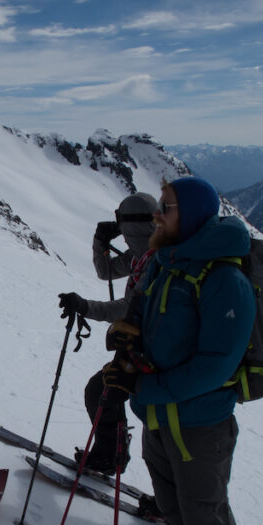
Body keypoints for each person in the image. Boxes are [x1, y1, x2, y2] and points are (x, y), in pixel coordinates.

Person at [100, 176, 255, 525]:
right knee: (175, 509)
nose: (157, 215)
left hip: (200, 423)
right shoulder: (164, 264)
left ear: (191, 215)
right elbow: (144, 319)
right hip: (160, 419)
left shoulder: (225, 279)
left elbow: (215, 366)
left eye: (165, 207)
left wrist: (150, 389)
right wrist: (127, 344)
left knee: (206, 516)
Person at [56, 192, 156, 476]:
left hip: (155, 350)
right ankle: (112, 456)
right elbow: (107, 272)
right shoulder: (142, 254)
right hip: (140, 346)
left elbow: (130, 306)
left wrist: (86, 307)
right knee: (103, 391)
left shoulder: (157, 260)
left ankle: (112, 457)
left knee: (105, 392)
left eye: (123, 226)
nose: (121, 234)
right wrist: (100, 241)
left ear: (133, 227)